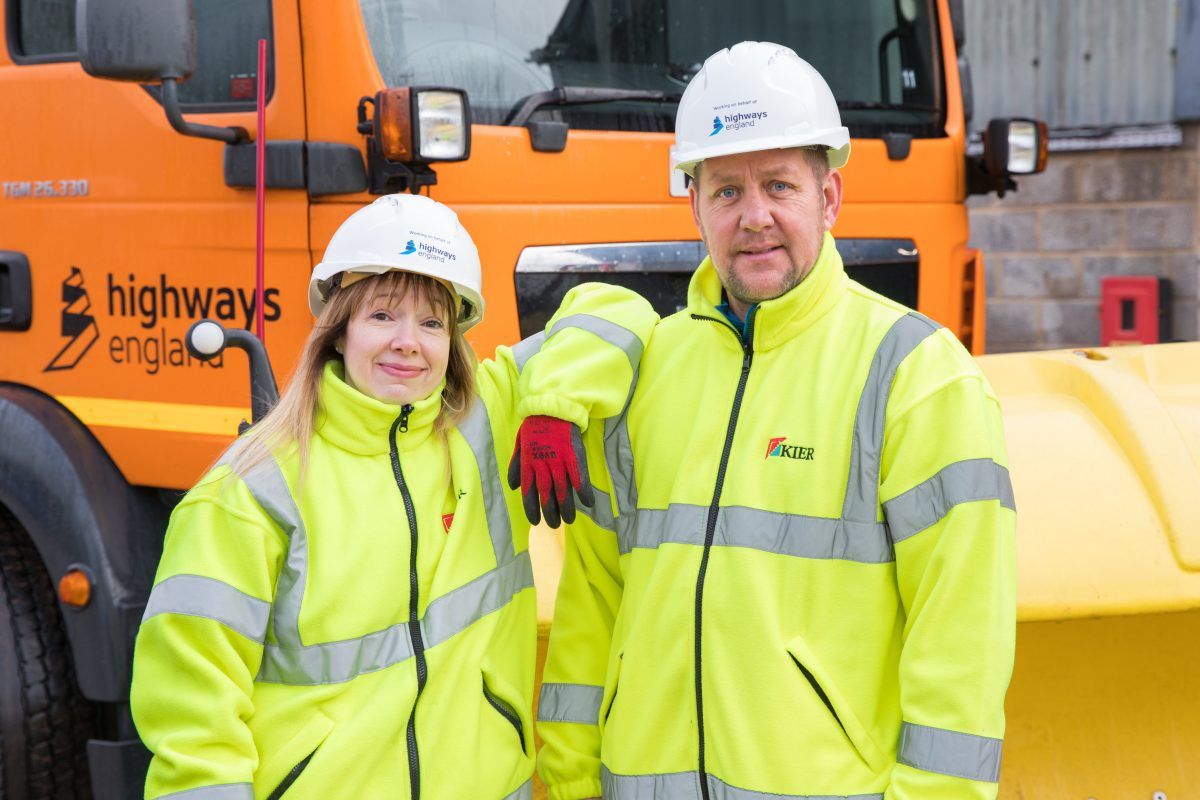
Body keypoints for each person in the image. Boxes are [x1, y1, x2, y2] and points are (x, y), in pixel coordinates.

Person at [533, 42, 1017, 800]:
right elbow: (591, 613)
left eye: (780, 185)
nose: (753, 217)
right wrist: (567, 785)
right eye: (725, 191)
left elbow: (962, 646)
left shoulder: (917, 377)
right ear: (693, 205)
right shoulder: (648, 371)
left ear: (829, 199)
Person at [130, 194, 656, 800]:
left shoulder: (493, 418)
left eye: (432, 322)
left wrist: (552, 409)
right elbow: (193, 718)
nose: (409, 342)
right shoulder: (251, 492)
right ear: (338, 329)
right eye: (383, 316)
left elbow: (617, 309)